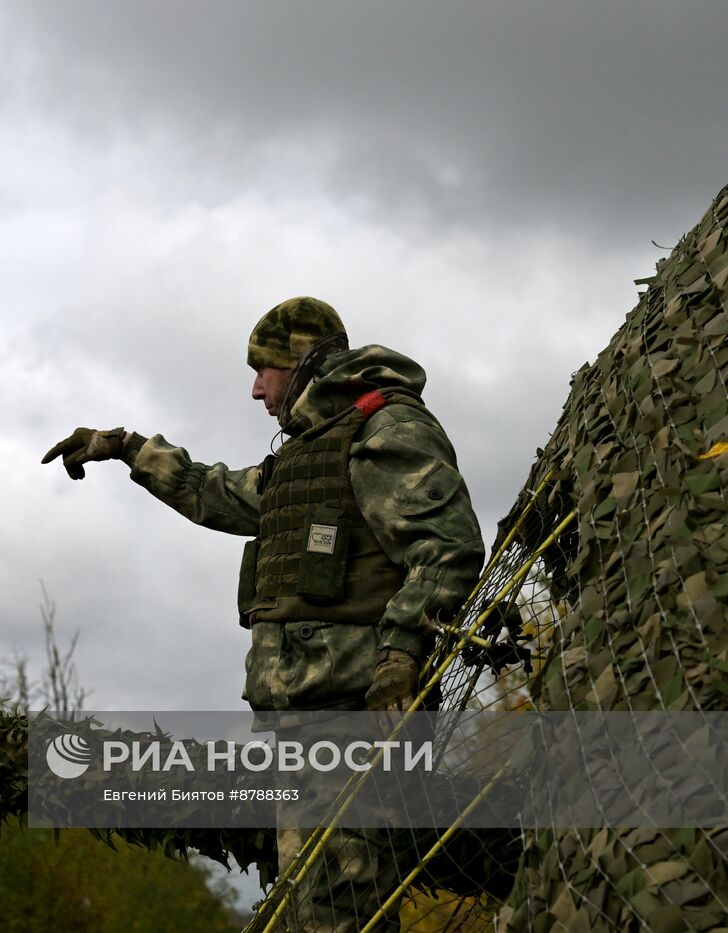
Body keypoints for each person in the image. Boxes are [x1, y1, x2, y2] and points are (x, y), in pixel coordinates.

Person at [42, 296, 484, 931]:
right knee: (314, 910)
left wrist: (399, 654)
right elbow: (213, 491)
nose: (255, 390)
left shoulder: (386, 429)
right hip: (301, 726)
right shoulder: (310, 454)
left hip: (354, 723)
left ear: (302, 365)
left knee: (340, 913)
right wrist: (124, 447)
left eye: (265, 370)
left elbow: (447, 547)